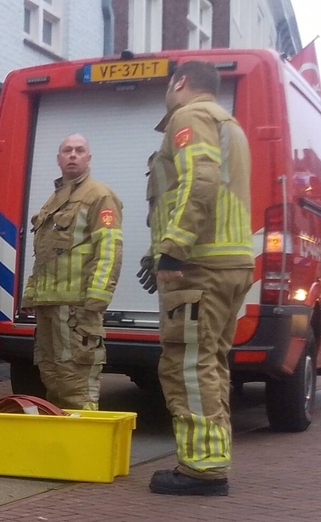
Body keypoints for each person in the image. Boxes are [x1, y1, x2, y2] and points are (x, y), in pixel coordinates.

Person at [142, 61, 253, 497]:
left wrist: (173, 248)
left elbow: (199, 181)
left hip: (200, 267)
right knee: (210, 362)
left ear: (180, 83)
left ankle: (203, 469)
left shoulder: (190, 117)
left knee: (187, 364)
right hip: (228, 262)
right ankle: (210, 457)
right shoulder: (228, 124)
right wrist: (158, 253)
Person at [21, 134, 123, 411]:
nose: (73, 155)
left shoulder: (99, 196)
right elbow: (44, 254)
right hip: (49, 307)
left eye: (79, 150)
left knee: (76, 382)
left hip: (77, 309)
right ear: (59, 158)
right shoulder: (55, 199)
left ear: (89, 158)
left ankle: (85, 443)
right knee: (52, 378)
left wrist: (97, 298)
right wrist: (31, 296)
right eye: (67, 150)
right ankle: (66, 444)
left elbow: (110, 249)